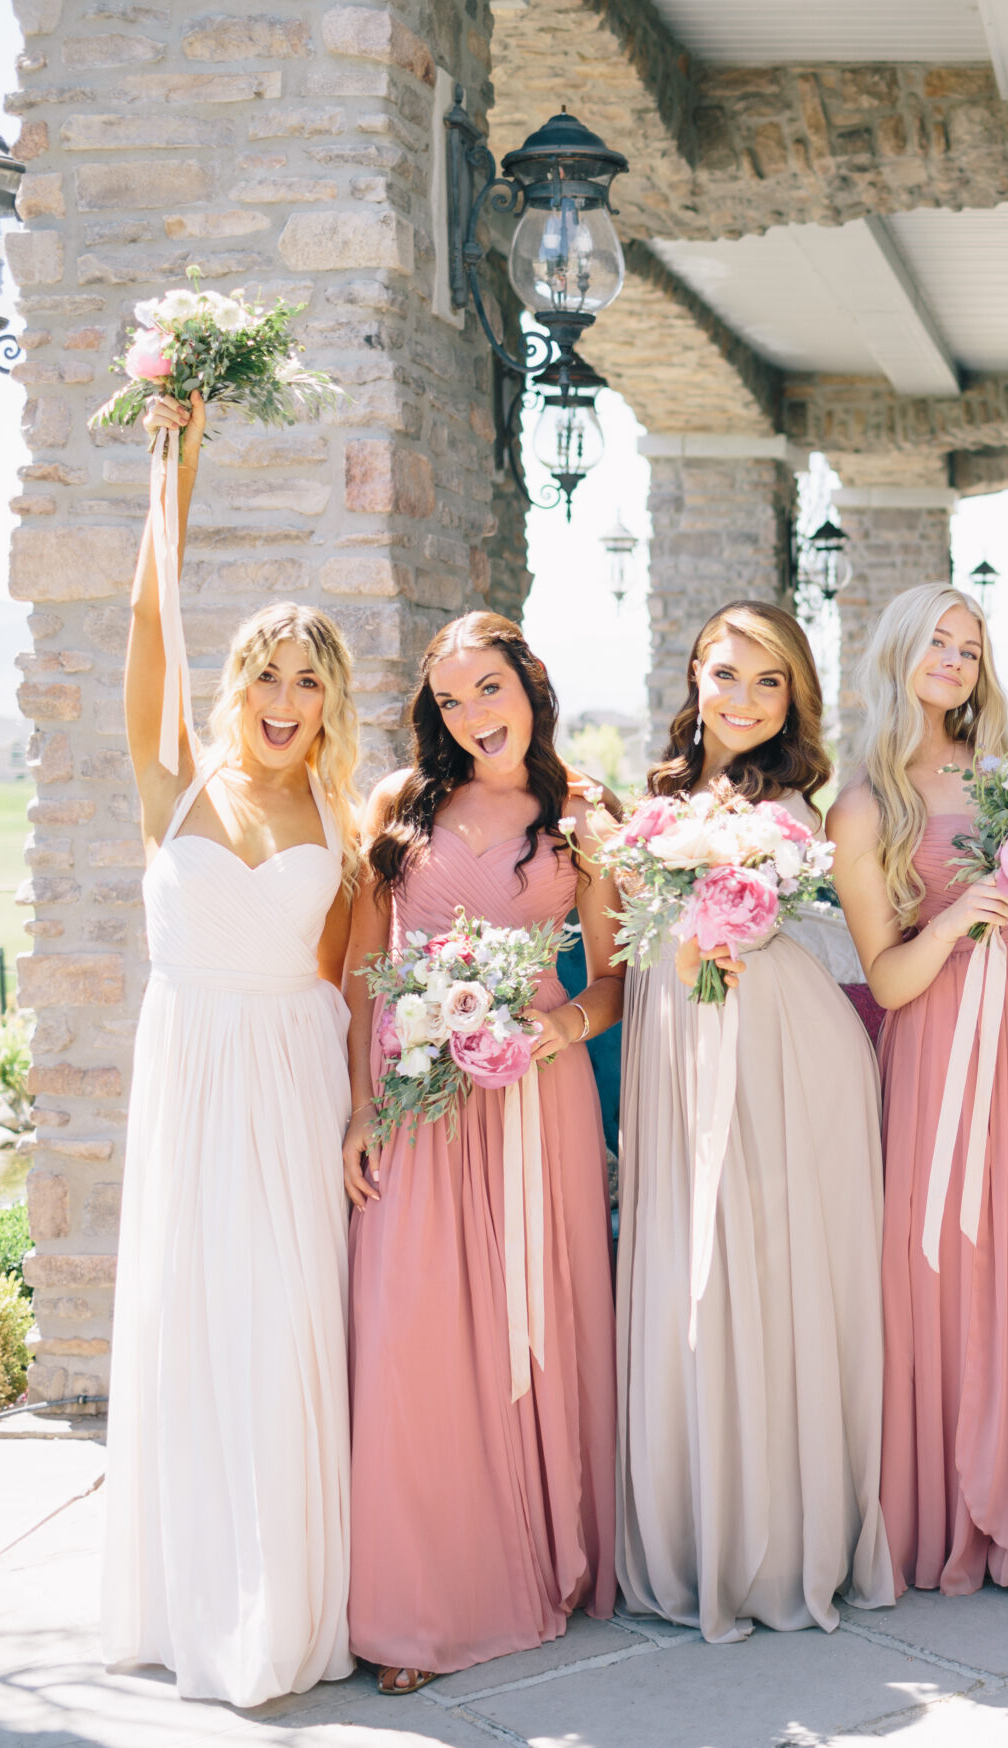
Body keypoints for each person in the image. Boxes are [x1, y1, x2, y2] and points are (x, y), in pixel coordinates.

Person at [101, 391, 359, 1705]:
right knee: (195, 1326)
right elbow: (148, 626)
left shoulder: (342, 819)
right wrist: (176, 464)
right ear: (236, 683)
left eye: (309, 676)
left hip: (295, 1088)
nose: (284, 693)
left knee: (288, 1334)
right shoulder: (174, 783)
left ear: (330, 704)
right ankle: (195, 1593)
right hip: (194, 1085)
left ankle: (292, 1592)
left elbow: (352, 983)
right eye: (266, 668)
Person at [340, 613, 625, 1692]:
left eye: (489, 689)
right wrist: (362, 1108)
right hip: (419, 1099)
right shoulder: (397, 805)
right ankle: (422, 1600)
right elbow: (367, 969)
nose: (472, 716)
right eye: (452, 699)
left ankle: (538, 1556)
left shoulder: (579, 813)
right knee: (413, 1337)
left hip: (533, 1101)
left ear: (531, 686)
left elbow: (611, 979)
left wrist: (554, 1028)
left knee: (529, 1323)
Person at [614, 601, 897, 1639]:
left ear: (793, 700)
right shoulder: (649, 803)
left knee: (774, 1275)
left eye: (767, 680)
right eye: (725, 673)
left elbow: (838, 935)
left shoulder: (796, 812)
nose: (740, 697)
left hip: (782, 1051)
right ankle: (699, 1527)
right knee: (693, 1268)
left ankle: (783, 1536)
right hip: (676, 1051)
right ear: (693, 675)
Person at [829, 584, 1008, 1597]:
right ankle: (944, 1510)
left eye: (969, 648)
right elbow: (887, 979)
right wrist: (950, 921)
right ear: (897, 653)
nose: (952, 659)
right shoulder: (866, 801)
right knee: (938, 1270)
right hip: (938, 1050)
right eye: (936, 641)